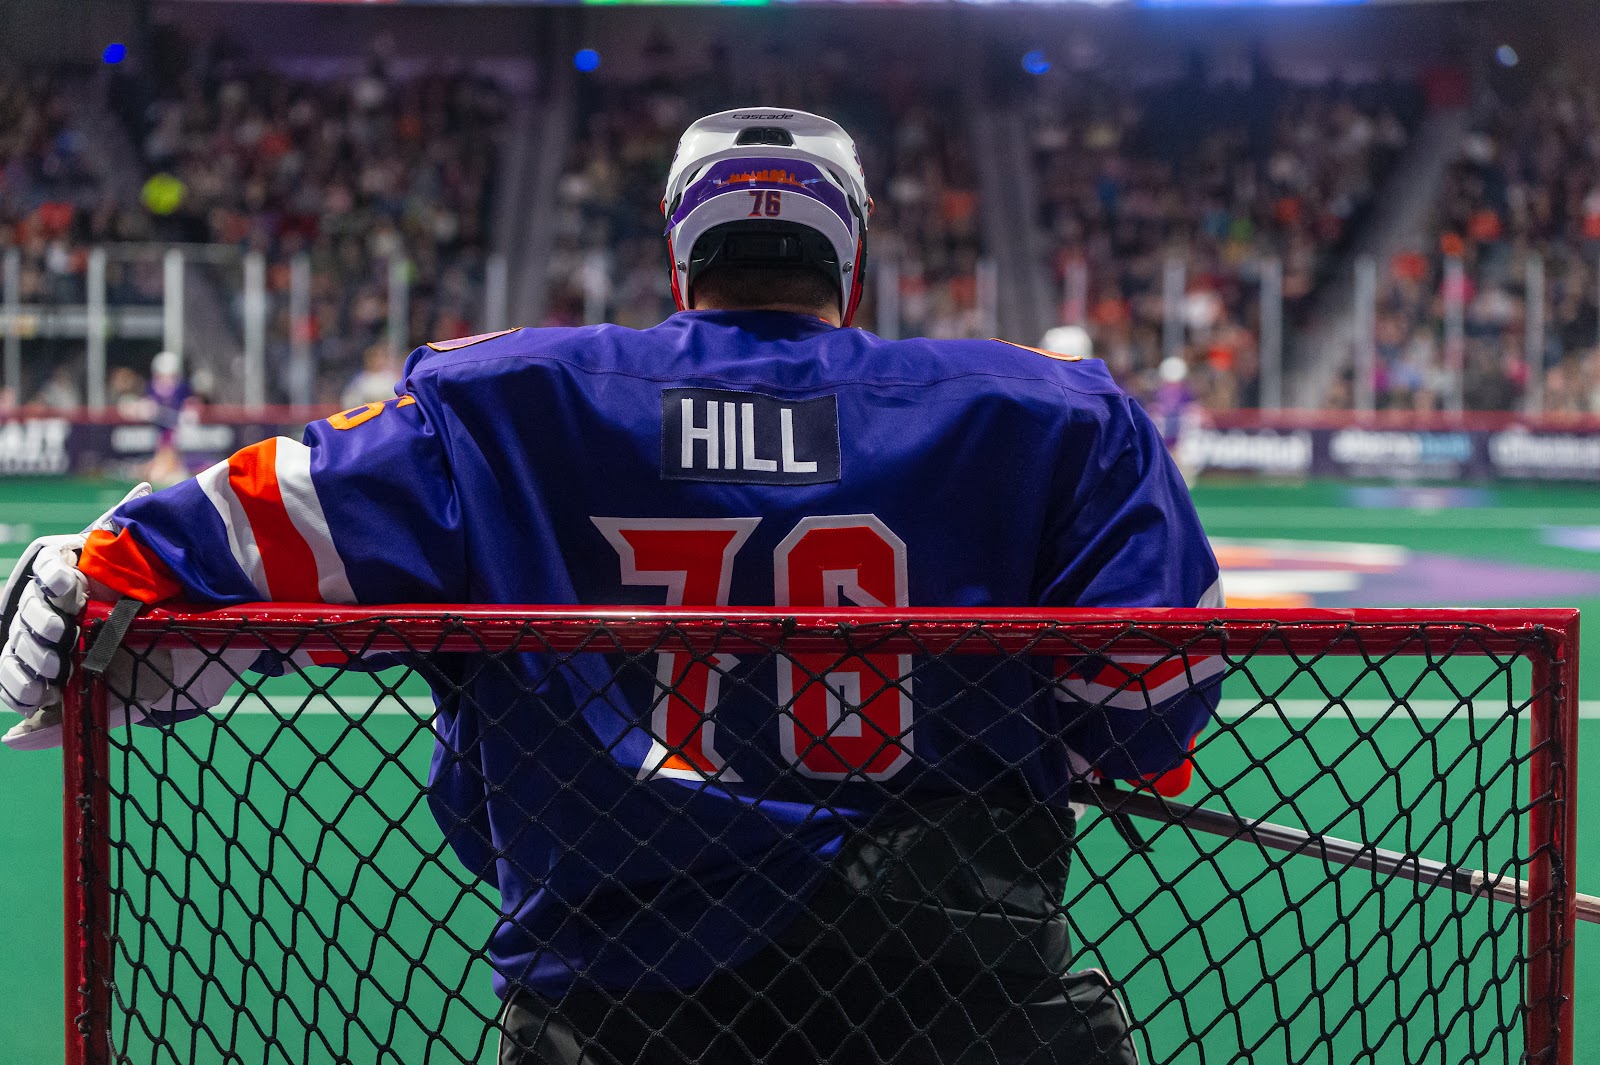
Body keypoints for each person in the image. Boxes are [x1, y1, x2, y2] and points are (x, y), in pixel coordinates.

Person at [0, 108, 1222, 1065]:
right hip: (956, 999)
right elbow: (1151, 702)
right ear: (847, 253)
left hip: (618, 1004)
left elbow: (236, 534)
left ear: (682, 250)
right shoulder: (1047, 415)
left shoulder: (509, 403)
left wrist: (92, 579)